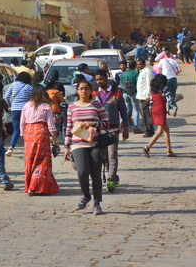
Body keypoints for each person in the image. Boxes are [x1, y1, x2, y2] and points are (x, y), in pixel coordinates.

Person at [62, 78, 110, 215]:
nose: (84, 91)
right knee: (82, 171)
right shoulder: (72, 106)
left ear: (90, 91)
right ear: (77, 91)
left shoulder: (96, 105)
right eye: (81, 89)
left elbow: (106, 123)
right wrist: (66, 147)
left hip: (95, 144)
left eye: (86, 88)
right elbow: (69, 127)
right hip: (77, 144)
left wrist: (93, 123)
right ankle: (85, 194)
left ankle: (97, 203)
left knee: (96, 174)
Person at [92, 68, 130, 191]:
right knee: (103, 157)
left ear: (106, 78)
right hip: (98, 130)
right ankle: (112, 176)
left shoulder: (117, 93)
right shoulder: (93, 94)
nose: (99, 82)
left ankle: (110, 180)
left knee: (112, 155)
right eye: (97, 80)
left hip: (113, 129)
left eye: (101, 79)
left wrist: (126, 128)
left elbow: (123, 110)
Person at [20, 84, 59, 195]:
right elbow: (51, 125)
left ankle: (30, 186)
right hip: (41, 132)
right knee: (42, 160)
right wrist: (55, 140)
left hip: (28, 133)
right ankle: (37, 186)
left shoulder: (26, 106)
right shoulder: (46, 107)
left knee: (30, 160)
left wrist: (24, 135)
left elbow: (22, 123)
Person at [3, 71, 33, 156]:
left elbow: (7, 96)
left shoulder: (13, 84)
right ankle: (28, 147)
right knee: (27, 129)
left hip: (14, 109)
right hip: (26, 110)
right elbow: (32, 98)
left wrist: (10, 104)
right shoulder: (29, 87)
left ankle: (11, 147)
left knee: (16, 130)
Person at [143, 74, 174, 158]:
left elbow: (151, 103)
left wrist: (151, 115)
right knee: (159, 131)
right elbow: (169, 99)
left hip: (154, 109)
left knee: (166, 130)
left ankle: (169, 150)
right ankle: (148, 147)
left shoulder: (153, 90)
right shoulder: (164, 88)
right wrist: (174, 104)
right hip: (161, 110)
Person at [154, 48, 180, 117]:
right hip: (174, 79)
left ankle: (174, 106)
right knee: (172, 94)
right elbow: (180, 69)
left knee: (167, 94)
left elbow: (159, 72)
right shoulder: (174, 61)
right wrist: (175, 74)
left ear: (164, 54)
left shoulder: (162, 61)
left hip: (165, 79)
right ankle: (168, 109)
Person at [135, 57, 153, 135]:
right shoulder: (141, 72)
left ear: (144, 64)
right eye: (137, 64)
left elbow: (149, 84)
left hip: (145, 96)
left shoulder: (147, 71)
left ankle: (149, 130)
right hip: (141, 96)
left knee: (146, 115)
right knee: (144, 115)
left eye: (140, 64)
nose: (138, 66)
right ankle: (148, 129)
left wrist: (148, 95)